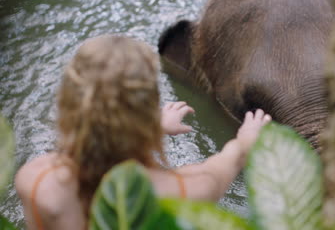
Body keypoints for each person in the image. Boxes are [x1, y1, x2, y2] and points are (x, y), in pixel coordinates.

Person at [14, 35, 271, 230]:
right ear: (147, 108)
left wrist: (155, 126)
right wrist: (245, 140)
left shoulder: (35, 180)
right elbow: (232, 157)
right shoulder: (184, 191)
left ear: (68, 104)